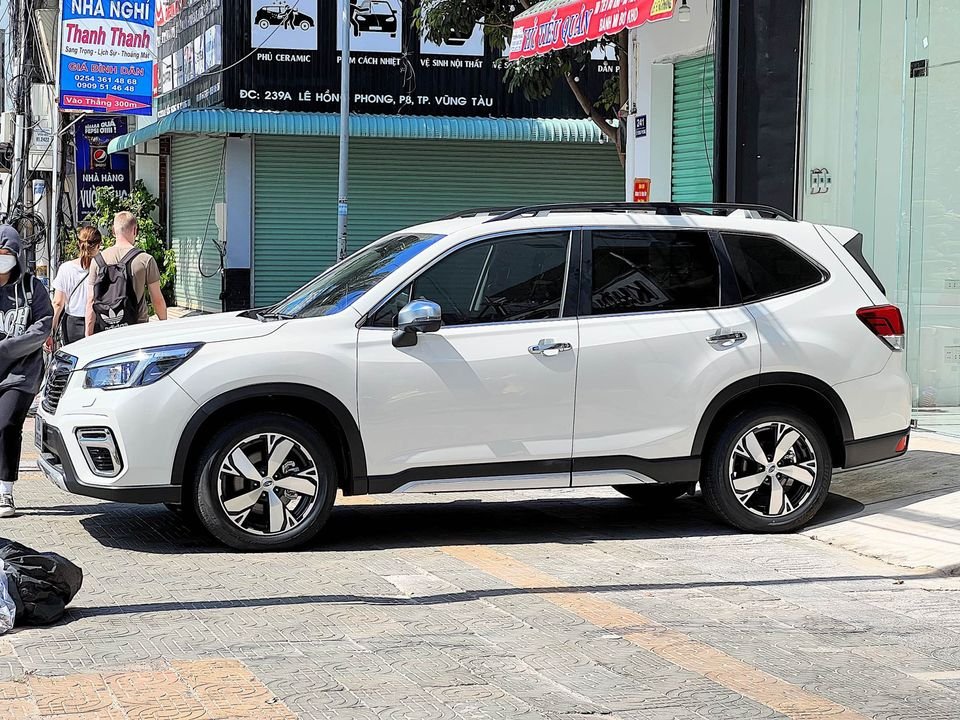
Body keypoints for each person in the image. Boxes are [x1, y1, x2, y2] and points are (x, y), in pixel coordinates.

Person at [0, 225, 53, 518]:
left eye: (6, 252)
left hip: (21, 374)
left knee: (7, 425)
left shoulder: (33, 288)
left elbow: (43, 324)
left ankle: (5, 491)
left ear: (17, 256)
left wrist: (8, 348)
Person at [85, 211, 167, 336]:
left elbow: (91, 300)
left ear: (113, 230)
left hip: (106, 331)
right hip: (138, 329)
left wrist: (88, 334)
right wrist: (164, 327)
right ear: (135, 230)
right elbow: (157, 299)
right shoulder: (145, 260)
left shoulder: (97, 261)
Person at [49, 227, 102, 347]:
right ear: (98, 245)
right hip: (97, 322)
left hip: (72, 324)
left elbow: (58, 303)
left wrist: (51, 332)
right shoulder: (103, 267)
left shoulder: (66, 268)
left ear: (78, 244)